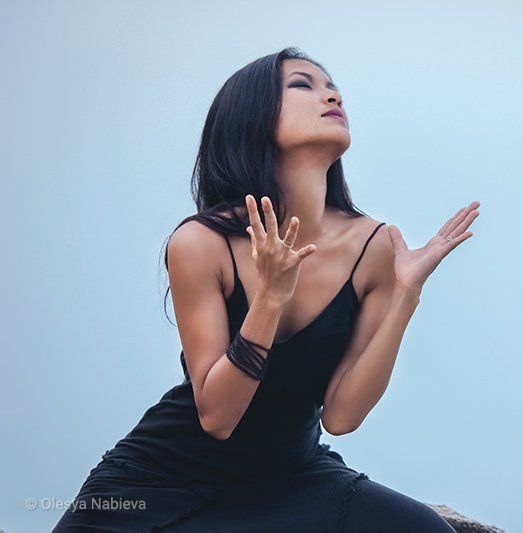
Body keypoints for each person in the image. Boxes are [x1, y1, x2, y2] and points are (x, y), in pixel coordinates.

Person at [53, 46, 479, 532]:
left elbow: (341, 416)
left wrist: (406, 293)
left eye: (331, 85)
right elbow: (217, 417)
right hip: (161, 482)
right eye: (303, 84)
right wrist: (271, 298)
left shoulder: (377, 246)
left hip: (292, 477)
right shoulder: (201, 243)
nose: (331, 94)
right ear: (252, 117)